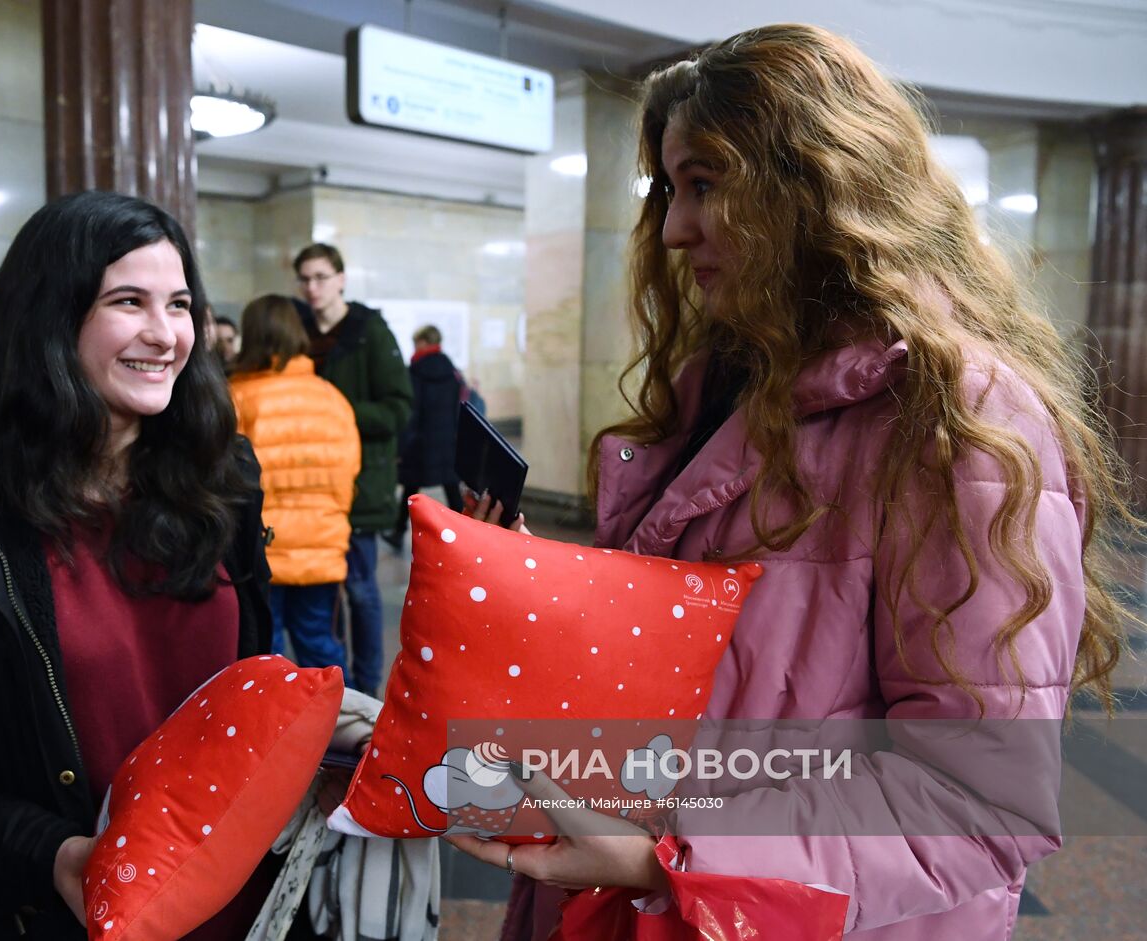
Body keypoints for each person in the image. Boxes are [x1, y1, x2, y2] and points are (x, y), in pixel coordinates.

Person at [449, 23, 1135, 940]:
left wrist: (676, 856)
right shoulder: (722, 378)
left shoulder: (957, 418)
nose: (675, 227)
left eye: (707, 186)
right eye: (668, 190)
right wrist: (552, 588)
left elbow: (980, 795)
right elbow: (715, 646)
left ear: (815, 185)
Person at [0, 192, 277, 939]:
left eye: (179, 304)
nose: (165, 333)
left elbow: (244, 678)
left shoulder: (220, 472)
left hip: (241, 900)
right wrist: (55, 855)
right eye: (127, 301)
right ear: (50, 315)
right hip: (64, 914)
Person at [294, 243, 412, 694]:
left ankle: (367, 691)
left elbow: (398, 409)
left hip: (360, 485)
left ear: (341, 279)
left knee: (361, 591)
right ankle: (333, 690)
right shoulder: (299, 331)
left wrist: (333, 410)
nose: (312, 287)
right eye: (305, 278)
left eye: (321, 277)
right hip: (311, 488)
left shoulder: (369, 331)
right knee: (321, 594)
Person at [228, 294, 360, 674]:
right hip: (321, 549)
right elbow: (348, 475)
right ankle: (344, 726)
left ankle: (275, 732)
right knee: (321, 646)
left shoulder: (236, 398)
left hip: (261, 552)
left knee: (264, 653)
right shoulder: (333, 399)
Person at [384, 325, 464, 552]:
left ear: (423, 343)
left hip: (420, 443)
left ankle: (399, 532)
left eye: (416, 342)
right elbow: (457, 408)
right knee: (451, 489)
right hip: (446, 441)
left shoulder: (414, 372)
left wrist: (401, 446)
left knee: (410, 489)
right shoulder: (451, 371)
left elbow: (412, 413)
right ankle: (467, 536)